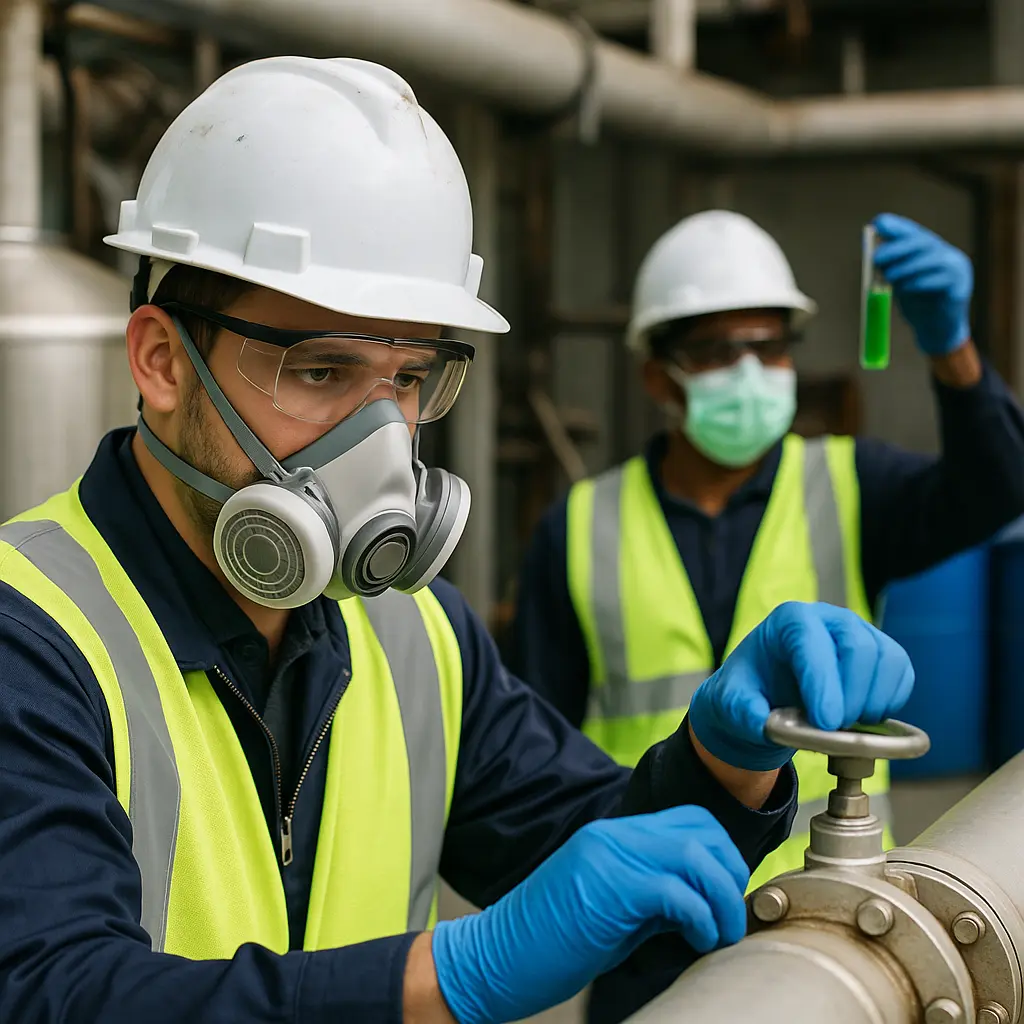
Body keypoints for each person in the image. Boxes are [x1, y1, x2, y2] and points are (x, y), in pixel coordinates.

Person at [0, 58, 915, 1024]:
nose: (379, 442)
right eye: (320, 372)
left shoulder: (416, 637)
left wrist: (725, 764)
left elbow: (609, 867)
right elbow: (50, 993)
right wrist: (451, 974)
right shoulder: (33, 639)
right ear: (162, 362)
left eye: (407, 380)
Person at [509, 208, 1024, 1021]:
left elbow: (999, 486)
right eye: (718, 351)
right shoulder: (578, 527)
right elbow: (536, 752)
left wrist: (951, 349)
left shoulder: (851, 485)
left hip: (839, 920)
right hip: (649, 931)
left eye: (770, 346)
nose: (749, 371)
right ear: (657, 374)